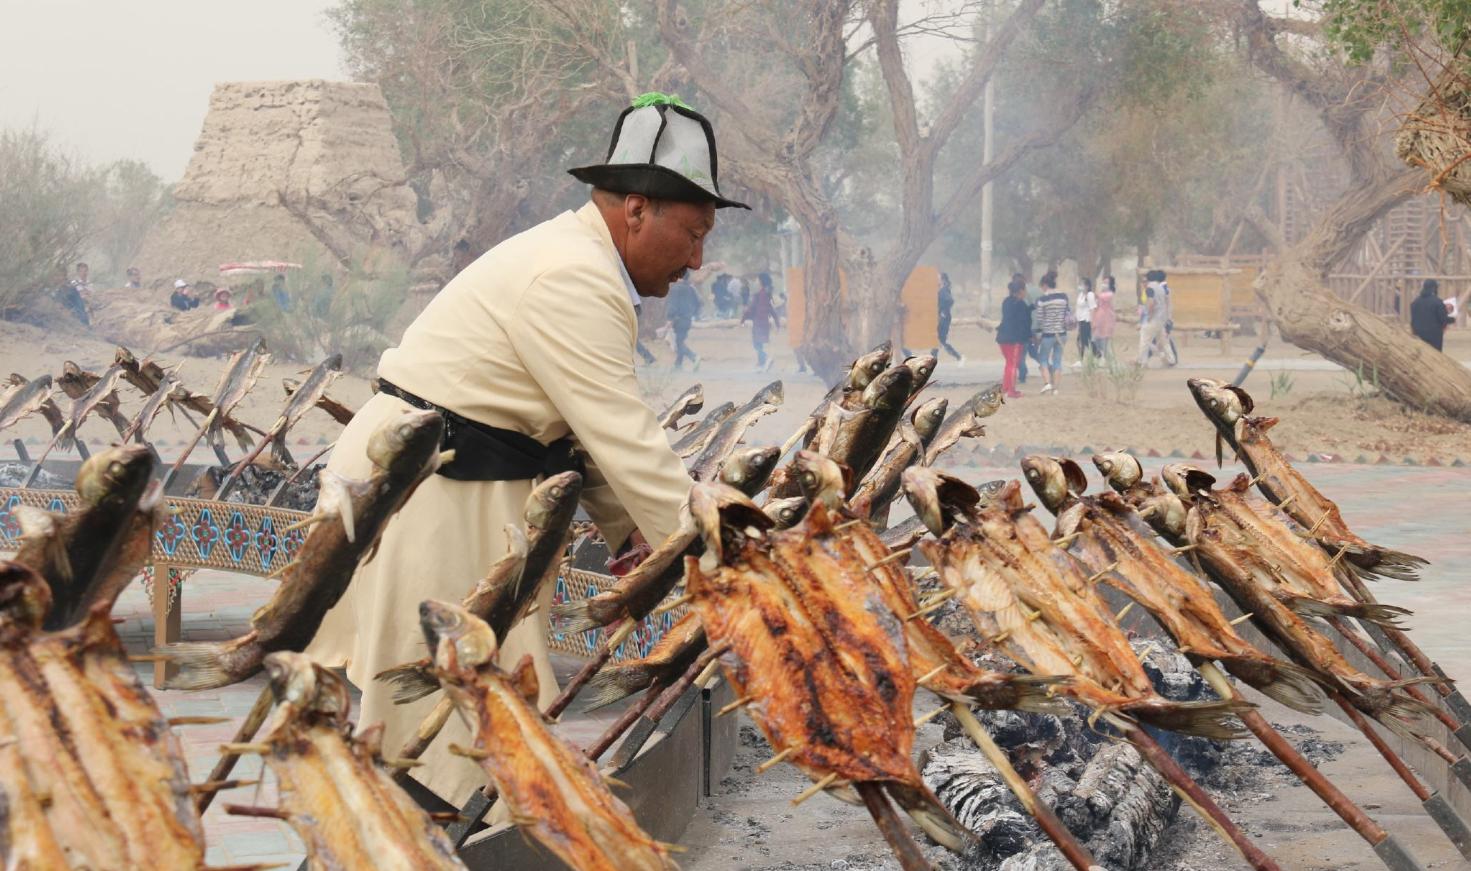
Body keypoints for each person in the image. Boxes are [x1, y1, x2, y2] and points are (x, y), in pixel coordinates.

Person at [306, 92, 747, 810]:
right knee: (452, 729)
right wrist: (729, 570)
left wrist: (633, 535)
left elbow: (581, 435)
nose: (697, 260)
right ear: (636, 209)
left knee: (481, 715)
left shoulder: (578, 262)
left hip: (450, 487)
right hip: (432, 493)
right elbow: (624, 437)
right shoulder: (571, 276)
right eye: (693, 233)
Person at [1033, 273, 1071, 395]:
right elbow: (1067, 312)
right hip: (1062, 333)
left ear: (1044, 285)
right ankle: (1056, 388)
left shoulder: (1042, 300)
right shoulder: (1063, 297)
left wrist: (1039, 330)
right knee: (1057, 360)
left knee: (1043, 358)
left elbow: (1039, 319)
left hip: (1048, 334)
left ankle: (1047, 383)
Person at [997, 277, 1031, 399]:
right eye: (1024, 290)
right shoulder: (1021, 305)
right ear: (1021, 291)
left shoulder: (1006, 302)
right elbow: (1024, 323)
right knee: (1013, 364)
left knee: (1009, 363)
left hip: (1002, 338)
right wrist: (1029, 337)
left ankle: (1005, 388)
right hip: (1014, 340)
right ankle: (1011, 391)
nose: (1026, 293)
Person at [1137, 269, 1177, 367]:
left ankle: (1142, 361)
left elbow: (1151, 303)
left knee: (1144, 340)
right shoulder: (1161, 288)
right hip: (1161, 319)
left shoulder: (1150, 288)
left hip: (1153, 318)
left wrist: (1149, 316)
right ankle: (1171, 359)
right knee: (1164, 341)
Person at [743, 275, 780, 370]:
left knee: (757, 343)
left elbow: (751, 308)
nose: (756, 282)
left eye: (757, 280)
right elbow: (772, 310)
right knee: (759, 343)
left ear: (761, 282)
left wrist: (743, 319)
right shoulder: (768, 294)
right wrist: (777, 322)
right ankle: (762, 362)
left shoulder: (759, 295)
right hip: (765, 323)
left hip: (758, 323)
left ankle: (765, 359)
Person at [667, 275, 702, 369]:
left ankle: (694, 357)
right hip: (688, 319)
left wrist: (670, 318)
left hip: (678, 319)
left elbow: (673, 304)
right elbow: (699, 302)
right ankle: (678, 364)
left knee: (679, 342)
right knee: (680, 341)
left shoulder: (676, 289)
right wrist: (693, 314)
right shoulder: (691, 288)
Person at [1411, 278, 1454, 351]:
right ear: (1434, 288)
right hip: (1434, 336)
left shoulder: (1415, 302)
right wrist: (1452, 319)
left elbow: (1413, 320)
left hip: (1418, 334)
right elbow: (1443, 319)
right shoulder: (1437, 302)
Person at [934, 272, 962, 362]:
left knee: (939, 340)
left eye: (938, 278)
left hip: (944, 319)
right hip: (942, 318)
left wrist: (944, 312)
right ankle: (959, 357)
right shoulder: (942, 289)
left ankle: (959, 357)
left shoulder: (944, 290)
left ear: (942, 280)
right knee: (940, 340)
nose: (936, 280)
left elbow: (950, 300)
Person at [1072, 277, 1097, 367]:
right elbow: (1078, 307)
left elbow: (1092, 308)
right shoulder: (1081, 295)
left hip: (1087, 320)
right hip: (1081, 320)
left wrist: (1092, 322)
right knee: (1086, 341)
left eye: (1082, 284)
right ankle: (1097, 356)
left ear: (1087, 286)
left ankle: (1082, 360)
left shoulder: (1090, 295)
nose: (1080, 286)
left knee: (1082, 341)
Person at [1092, 275, 1118, 360]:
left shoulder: (1110, 294)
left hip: (1107, 319)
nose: (1103, 284)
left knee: (1104, 339)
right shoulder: (1102, 294)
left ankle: (1105, 358)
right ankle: (1100, 357)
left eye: (1106, 283)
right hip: (1099, 318)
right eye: (1103, 283)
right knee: (1095, 339)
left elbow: (1100, 297)